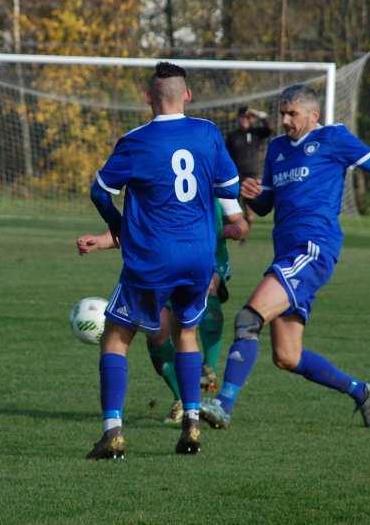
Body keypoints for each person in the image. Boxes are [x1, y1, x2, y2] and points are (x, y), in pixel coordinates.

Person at [200, 84, 370, 431]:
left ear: (313, 115)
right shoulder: (277, 150)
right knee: (287, 356)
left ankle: (223, 405)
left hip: (313, 249)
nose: (285, 121)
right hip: (288, 253)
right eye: (282, 114)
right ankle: (362, 391)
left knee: (248, 318)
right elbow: (267, 205)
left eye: (292, 114)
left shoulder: (335, 139)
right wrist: (253, 195)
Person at [85, 62, 239, 460]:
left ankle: (113, 432)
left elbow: (100, 191)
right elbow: (229, 187)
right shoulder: (207, 133)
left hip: (153, 257)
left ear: (148, 97)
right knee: (186, 334)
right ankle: (191, 422)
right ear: (187, 95)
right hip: (198, 258)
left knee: (116, 337)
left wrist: (118, 227)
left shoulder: (135, 141)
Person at [77, 197, 248, 425]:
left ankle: (209, 368)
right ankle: (182, 399)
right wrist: (99, 241)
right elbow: (133, 229)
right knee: (157, 332)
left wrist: (231, 229)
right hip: (161, 264)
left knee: (210, 288)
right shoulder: (156, 183)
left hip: (203, 258)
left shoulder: (209, 175)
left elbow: (240, 223)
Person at [225, 106, 272, 228]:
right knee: (230, 211)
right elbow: (225, 155)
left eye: (248, 117)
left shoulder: (256, 133)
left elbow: (269, 128)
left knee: (250, 213)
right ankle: (232, 230)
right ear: (239, 119)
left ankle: (244, 235)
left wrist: (258, 113)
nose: (245, 120)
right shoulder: (232, 136)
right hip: (236, 176)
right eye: (243, 117)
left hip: (252, 176)